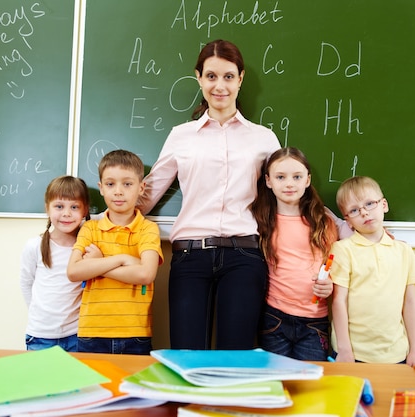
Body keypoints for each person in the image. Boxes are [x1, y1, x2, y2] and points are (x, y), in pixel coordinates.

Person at [137, 39, 281, 350]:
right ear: (199, 78)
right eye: (211, 76)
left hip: (244, 255)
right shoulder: (181, 136)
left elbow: (290, 191)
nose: (220, 86)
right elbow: (147, 193)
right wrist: (95, 221)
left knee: (237, 356)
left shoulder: (263, 138)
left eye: (229, 76)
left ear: (241, 79)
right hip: (191, 256)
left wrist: (339, 225)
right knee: (186, 354)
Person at [67, 149, 163, 354]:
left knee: (132, 387)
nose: (118, 191)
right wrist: (124, 259)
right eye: (110, 184)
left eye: (127, 184)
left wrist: (98, 264)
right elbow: (74, 272)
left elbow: (146, 274)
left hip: (135, 333)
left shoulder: (147, 229)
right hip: (92, 332)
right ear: (101, 188)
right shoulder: (90, 228)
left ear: (141, 187)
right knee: (94, 387)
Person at [250, 147, 338, 361]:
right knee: (276, 382)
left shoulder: (323, 220)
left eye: (297, 177)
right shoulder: (259, 220)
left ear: (307, 180)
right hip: (274, 316)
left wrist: (330, 284)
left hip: (314, 320)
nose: (289, 184)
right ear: (268, 181)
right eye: (281, 177)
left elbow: (334, 263)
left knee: (308, 384)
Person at [330, 176, 415, 365]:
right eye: (354, 210)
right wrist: (344, 350)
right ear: (348, 221)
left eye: (369, 204)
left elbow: (410, 302)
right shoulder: (343, 250)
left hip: (396, 353)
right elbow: (338, 302)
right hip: (354, 353)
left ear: (384, 205)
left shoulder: (403, 250)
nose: (364, 213)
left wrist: (414, 351)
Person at [20, 175, 91, 352]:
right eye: (59, 206)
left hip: (76, 336)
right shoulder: (35, 245)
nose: (66, 213)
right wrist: (40, 316)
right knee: (41, 380)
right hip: (41, 336)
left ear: (85, 211)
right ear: (47, 209)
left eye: (74, 207)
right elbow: (26, 283)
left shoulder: (87, 249)